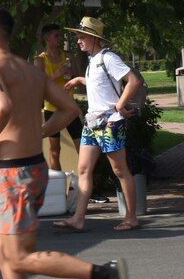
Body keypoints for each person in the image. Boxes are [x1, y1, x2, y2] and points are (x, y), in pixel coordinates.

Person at [0, 7, 129, 279]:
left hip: (17, 175)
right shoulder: (30, 69)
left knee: (18, 256)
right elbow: (70, 110)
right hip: (34, 168)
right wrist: (40, 131)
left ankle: (105, 275)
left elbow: (1, 108)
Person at [59, 16, 144, 232]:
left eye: (82, 36)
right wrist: (80, 80)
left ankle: (131, 218)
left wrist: (119, 106)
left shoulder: (108, 58)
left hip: (110, 123)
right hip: (92, 122)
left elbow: (133, 81)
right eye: (78, 36)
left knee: (120, 170)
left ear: (94, 38)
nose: (78, 40)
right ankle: (78, 219)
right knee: (84, 169)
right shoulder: (93, 61)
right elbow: (102, 83)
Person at [35, 23, 80, 171]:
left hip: (69, 108)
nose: (60, 38)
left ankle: (87, 186)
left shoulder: (67, 56)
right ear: (47, 38)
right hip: (52, 109)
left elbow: (76, 78)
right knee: (55, 149)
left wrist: (72, 75)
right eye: (56, 36)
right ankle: (58, 186)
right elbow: (39, 86)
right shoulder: (40, 60)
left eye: (60, 35)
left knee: (83, 148)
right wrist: (56, 75)